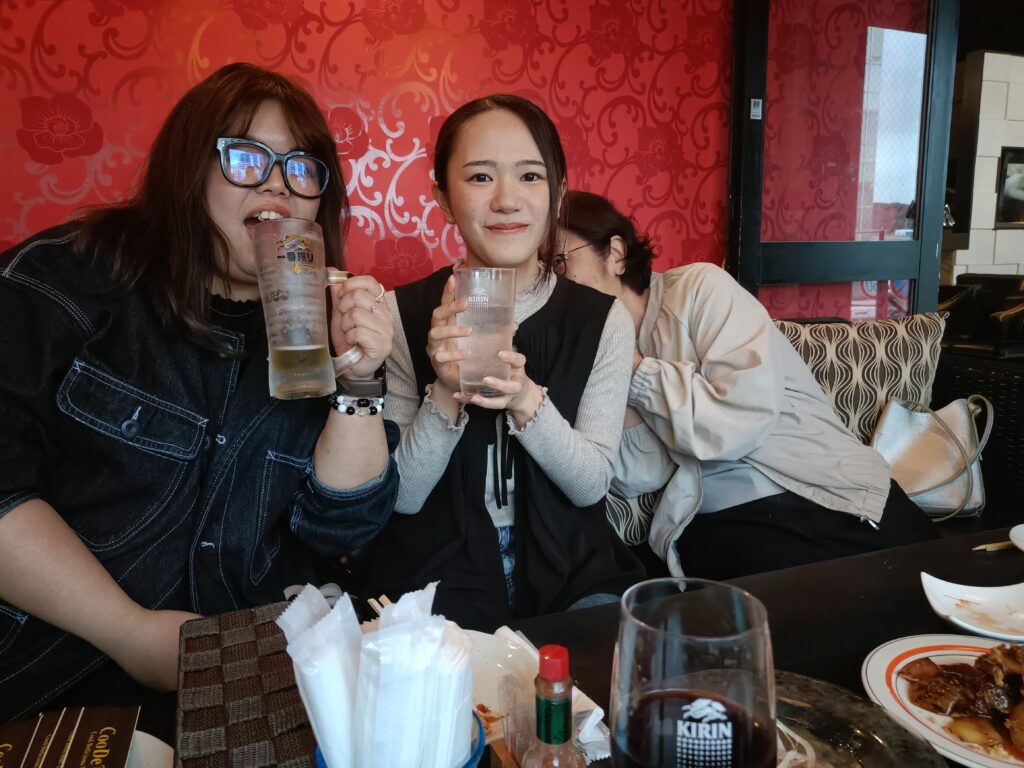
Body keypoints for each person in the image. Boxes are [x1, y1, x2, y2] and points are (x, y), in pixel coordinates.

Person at [0, 63, 399, 728]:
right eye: (247, 157)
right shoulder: (67, 281)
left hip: (240, 687)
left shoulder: (312, 325)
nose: (278, 183)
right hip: (47, 683)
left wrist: (358, 375)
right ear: (190, 169)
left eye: (302, 168)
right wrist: (130, 632)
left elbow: (342, 531)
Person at [557, 190, 939, 581]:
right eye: (540, 273)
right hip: (720, 520)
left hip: (825, 492)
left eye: (559, 262)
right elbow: (643, 474)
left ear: (616, 253)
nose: (551, 284)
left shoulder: (698, 289)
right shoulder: (603, 349)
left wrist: (636, 370)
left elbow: (741, 419)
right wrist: (615, 363)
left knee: (938, 593)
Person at [366, 96, 643, 631]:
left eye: (530, 176)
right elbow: (403, 497)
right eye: (480, 177)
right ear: (443, 199)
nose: (508, 200)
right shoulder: (400, 313)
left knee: (596, 670)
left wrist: (525, 398)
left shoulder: (602, 320)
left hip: (572, 567)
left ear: (557, 192)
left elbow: (591, 486)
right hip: (436, 570)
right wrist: (444, 391)